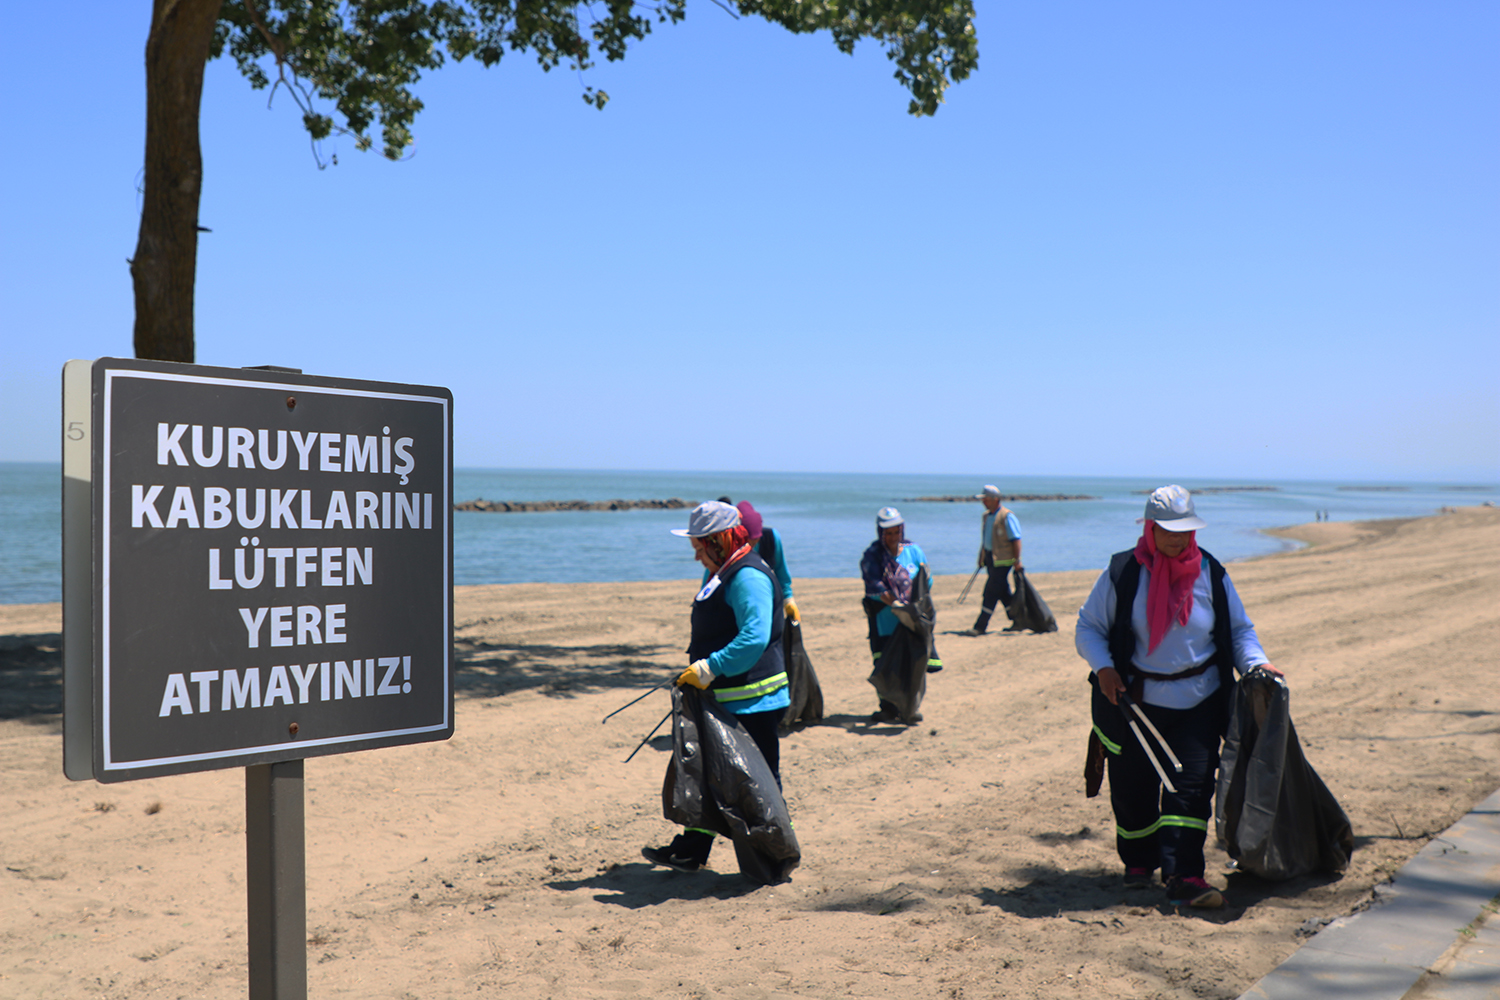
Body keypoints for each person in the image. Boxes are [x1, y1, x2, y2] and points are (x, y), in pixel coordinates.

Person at [1075, 485, 1283, 909]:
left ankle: (1184, 874)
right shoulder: (1122, 572)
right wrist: (1105, 669)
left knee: (1191, 790)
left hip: (1200, 702)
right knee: (1134, 791)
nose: (1179, 538)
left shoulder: (1212, 572)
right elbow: (1088, 628)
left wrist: (1257, 666)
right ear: (1150, 528)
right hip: (1136, 705)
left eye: (1185, 529)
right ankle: (1138, 862)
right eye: (1169, 530)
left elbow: (1240, 630)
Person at [642, 501, 790, 873]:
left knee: (758, 782)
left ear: (718, 541)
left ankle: (775, 857)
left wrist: (710, 666)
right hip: (728, 696)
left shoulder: (747, 576)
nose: (696, 558)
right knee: (708, 772)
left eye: (698, 548)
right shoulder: (726, 571)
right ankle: (691, 850)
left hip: (753, 699)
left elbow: (754, 637)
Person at [860, 506, 942, 721]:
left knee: (912, 663)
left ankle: (909, 707)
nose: (893, 537)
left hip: (911, 620)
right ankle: (888, 707)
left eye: (896, 531)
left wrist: (914, 607)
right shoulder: (872, 556)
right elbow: (875, 586)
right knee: (886, 663)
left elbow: (926, 579)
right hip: (885, 621)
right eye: (888, 533)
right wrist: (896, 603)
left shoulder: (913, 551)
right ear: (880, 532)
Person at [719, 497, 799, 624]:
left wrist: (788, 599)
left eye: (755, 541)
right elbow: (711, 581)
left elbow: (781, 572)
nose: (750, 546)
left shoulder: (771, 539)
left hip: (767, 601)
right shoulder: (726, 546)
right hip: (734, 606)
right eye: (747, 541)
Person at [961, 484, 1023, 635]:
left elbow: (1016, 539)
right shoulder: (986, 516)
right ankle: (1017, 620)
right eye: (983, 499)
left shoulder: (1007, 516)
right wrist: (981, 557)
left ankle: (980, 626)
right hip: (991, 559)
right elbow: (986, 540)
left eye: (986, 499)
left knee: (990, 592)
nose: (984, 502)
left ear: (995, 499)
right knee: (1002, 591)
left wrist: (1016, 560)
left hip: (1004, 560)